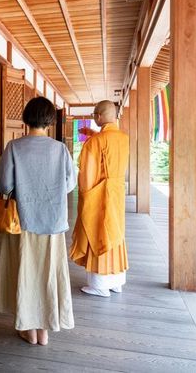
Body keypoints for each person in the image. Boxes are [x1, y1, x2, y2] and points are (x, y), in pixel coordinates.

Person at [0, 97, 77, 346]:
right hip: (52, 222)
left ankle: (28, 329)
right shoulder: (60, 149)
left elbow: (5, 185)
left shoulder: (14, 147)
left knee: (25, 273)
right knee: (48, 273)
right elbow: (70, 184)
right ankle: (45, 330)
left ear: (26, 118)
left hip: (23, 221)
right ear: (50, 121)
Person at [70, 100, 129, 297]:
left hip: (100, 194)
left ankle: (100, 284)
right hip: (117, 192)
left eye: (95, 114)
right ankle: (116, 281)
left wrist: (85, 195)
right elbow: (108, 149)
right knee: (115, 231)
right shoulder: (123, 138)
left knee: (98, 234)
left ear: (98, 116)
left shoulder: (94, 142)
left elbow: (87, 174)